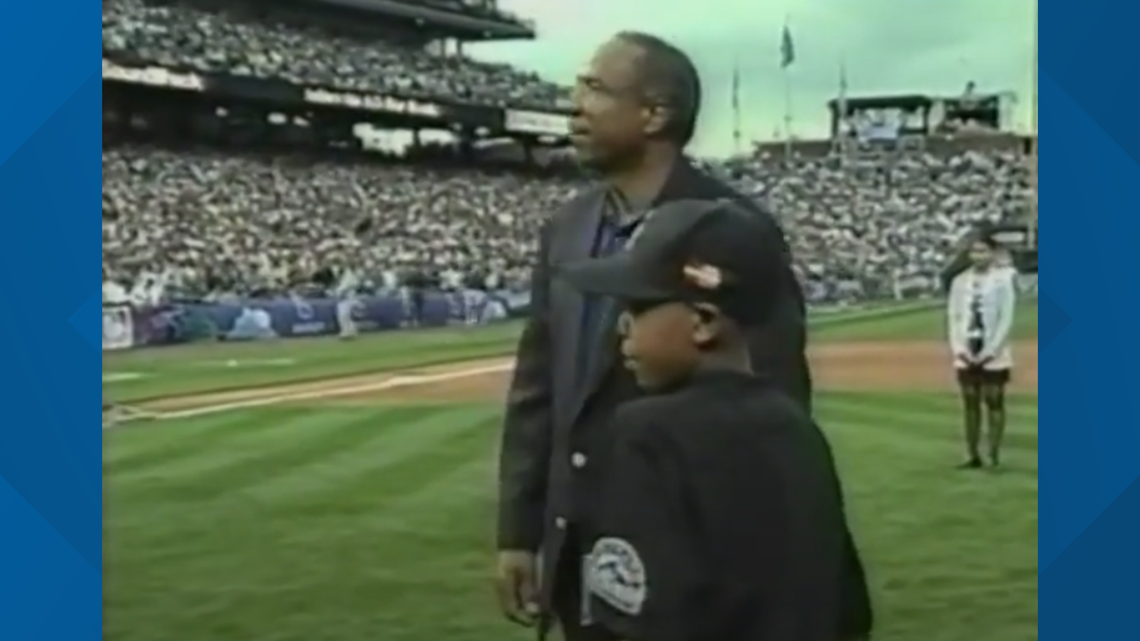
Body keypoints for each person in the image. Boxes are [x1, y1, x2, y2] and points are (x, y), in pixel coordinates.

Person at [495, 31, 870, 641]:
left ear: (655, 113)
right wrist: (519, 530)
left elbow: (767, 406)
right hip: (582, 544)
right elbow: (537, 388)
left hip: (691, 553)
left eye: (594, 87)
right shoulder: (567, 227)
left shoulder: (733, 229)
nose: (574, 104)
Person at [560, 199, 851, 641]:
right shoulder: (796, 427)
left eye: (638, 309)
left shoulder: (645, 431)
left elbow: (634, 621)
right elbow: (846, 611)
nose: (623, 326)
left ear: (703, 322)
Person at [947, 236, 1017, 469]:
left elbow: (1005, 318)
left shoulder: (1002, 281)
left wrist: (991, 350)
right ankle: (972, 454)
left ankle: (994, 454)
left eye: (983, 251)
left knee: (994, 399)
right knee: (970, 402)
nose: (979, 256)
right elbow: (954, 317)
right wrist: (959, 349)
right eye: (975, 251)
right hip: (967, 349)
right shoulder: (959, 281)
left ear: (992, 253)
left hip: (993, 352)